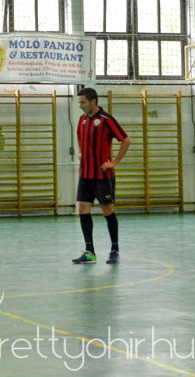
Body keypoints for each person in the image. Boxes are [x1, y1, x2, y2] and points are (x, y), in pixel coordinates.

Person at [72, 87, 131, 265]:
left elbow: (126, 140)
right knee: (83, 208)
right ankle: (90, 252)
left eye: (83, 102)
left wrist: (113, 162)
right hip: (85, 174)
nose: (80, 105)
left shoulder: (106, 119)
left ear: (93, 101)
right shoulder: (82, 120)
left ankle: (114, 250)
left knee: (107, 210)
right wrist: (82, 152)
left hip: (102, 175)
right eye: (79, 102)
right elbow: (80, 138)